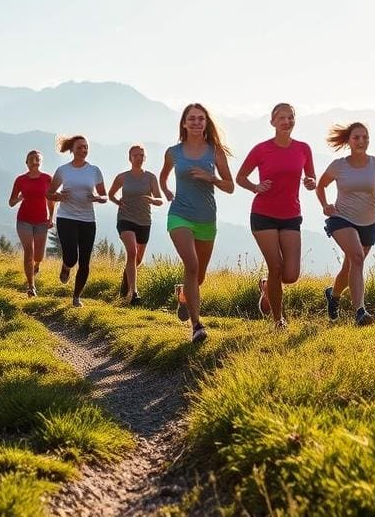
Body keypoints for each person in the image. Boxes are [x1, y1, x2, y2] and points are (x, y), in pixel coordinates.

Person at [236, 103, 316, 328]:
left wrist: (311, 183)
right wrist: (255, 187)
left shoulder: (303, 149)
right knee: (276, 268)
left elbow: (311, 178)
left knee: (290, 275)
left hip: (291, 214)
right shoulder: (262, 149)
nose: (286, 122)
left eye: (290, 117)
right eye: (281, 118)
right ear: (272, 122)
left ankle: (267, 287)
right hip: (263, 214)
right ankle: (278, 320)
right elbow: (240, 177)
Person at [160, 103, 234, 343]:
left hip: (206, 219)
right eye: (191, 119)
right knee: (191, 265)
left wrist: (210, 177)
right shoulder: (173, 152)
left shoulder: (215, 151)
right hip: (179, 215)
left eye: (201, 119)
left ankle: (183, 294)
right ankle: (197, 326)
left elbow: (230, 186)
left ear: (206, 123)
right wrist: (166, 191)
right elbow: (163, 176)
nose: (196, 123)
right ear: (184, 123)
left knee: (198, 276)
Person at [316, 121, 375, 326]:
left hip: (369, 223)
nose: (361, 141)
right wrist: (325, 205)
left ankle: (333, 295)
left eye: (365, 137)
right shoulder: (339, 165)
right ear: (349, 142)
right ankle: (360, 312)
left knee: (350, 267)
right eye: (356, 137)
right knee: (358, 258)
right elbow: (321, 186)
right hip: (342, 218)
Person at [46, 135, 107, 308]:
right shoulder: (63, 170)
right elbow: (49, 193)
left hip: (88, 220)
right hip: (66, 218)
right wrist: (57, 196)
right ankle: (66, 266)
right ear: (72, 150)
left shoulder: (94, 171)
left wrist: (97, 197)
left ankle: (76, 297)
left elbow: (105, 196)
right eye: (80, 147)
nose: (84, 150)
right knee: (72, 257)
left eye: (86, 147)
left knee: (85, 261)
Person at [108, 144, 163, 305]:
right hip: (125, 219)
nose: (138, 158)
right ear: (130, 158)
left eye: (141, 155)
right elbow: (111, 194)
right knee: (131, 252)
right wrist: (118, 202)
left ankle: (125, 281)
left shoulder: (151, 177)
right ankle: (134, 293)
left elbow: (160, 199)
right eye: (135, 155)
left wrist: (153, 200)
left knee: (137, 259)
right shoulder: (123, 177)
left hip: (144, 221)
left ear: (144, 158)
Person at [9, 150, 55, 296]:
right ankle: (31, 286)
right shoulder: (20, 180)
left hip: (42, 221)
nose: (34, 160)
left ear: (41, 161)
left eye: (37, 158)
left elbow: (51, 200)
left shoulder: (48, 178)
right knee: (29, 252)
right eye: (31, 158)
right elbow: (11, 202)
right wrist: (20, 198)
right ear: (27, 163)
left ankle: (37, 264)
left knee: (38, 255)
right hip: (23, 220)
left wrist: (51, 217)